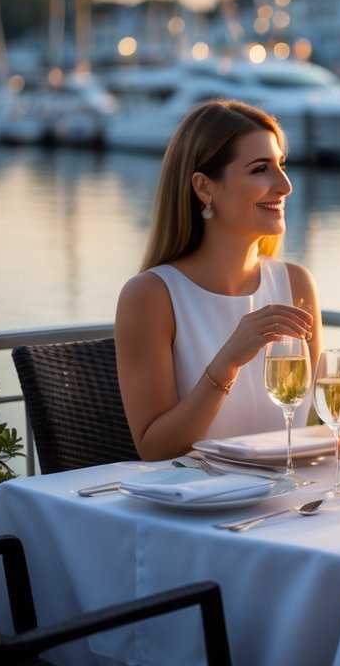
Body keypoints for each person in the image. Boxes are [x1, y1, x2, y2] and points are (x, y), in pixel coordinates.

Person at [115, 99, 322, 461]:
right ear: (205, 188)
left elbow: (321, 425)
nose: (285, 186)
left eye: (281, 165)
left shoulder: (297, 285)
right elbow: (154, 449)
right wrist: (228, 360)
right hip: (193, 509)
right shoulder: (151, 295)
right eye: (261, 169)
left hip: (291, 503)